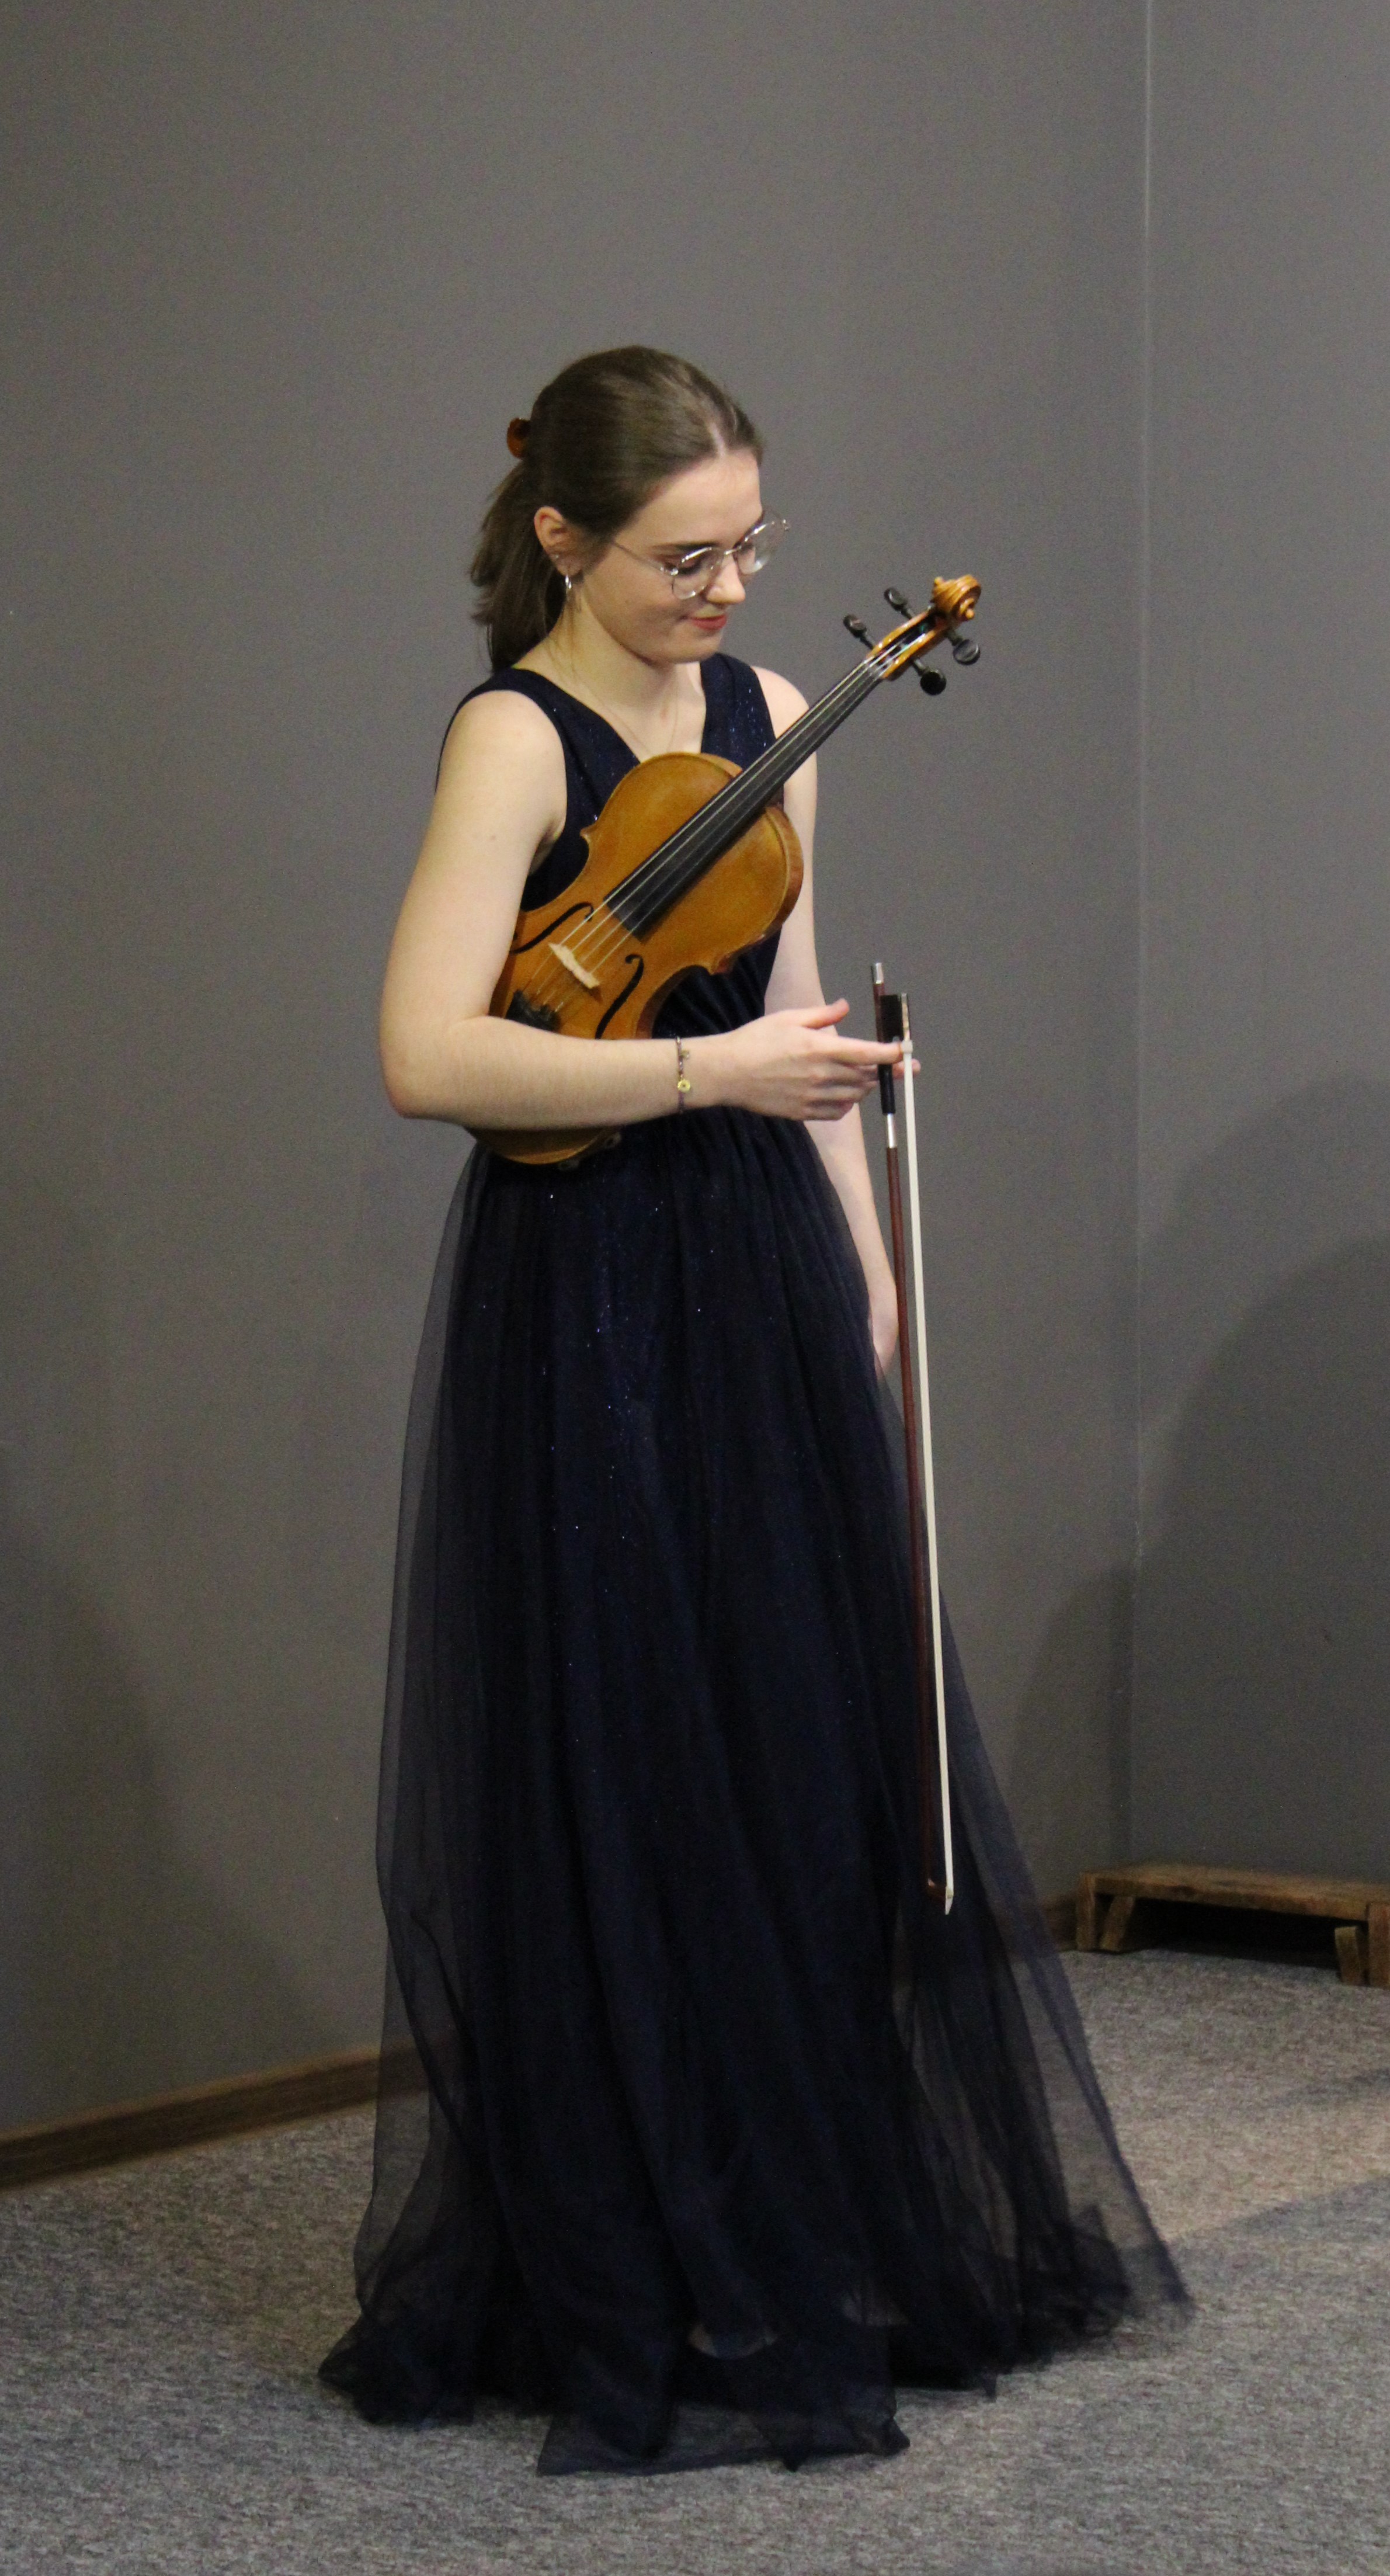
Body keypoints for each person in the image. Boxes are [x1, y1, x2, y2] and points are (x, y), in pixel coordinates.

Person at [321, 345, 1183, 2475]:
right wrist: (712, 1074)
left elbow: (792, 996)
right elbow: (432, 1055)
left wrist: (862, 1259)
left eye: (746, 550)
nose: (721, 594)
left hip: (763, 1262)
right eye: (680, 560)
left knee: (797, 1748)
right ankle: (631, 2246)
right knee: (625, 1752)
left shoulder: (774, 714)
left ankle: (791, 2221)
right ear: (560, 539)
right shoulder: (509, 742)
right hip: (590, 1278)